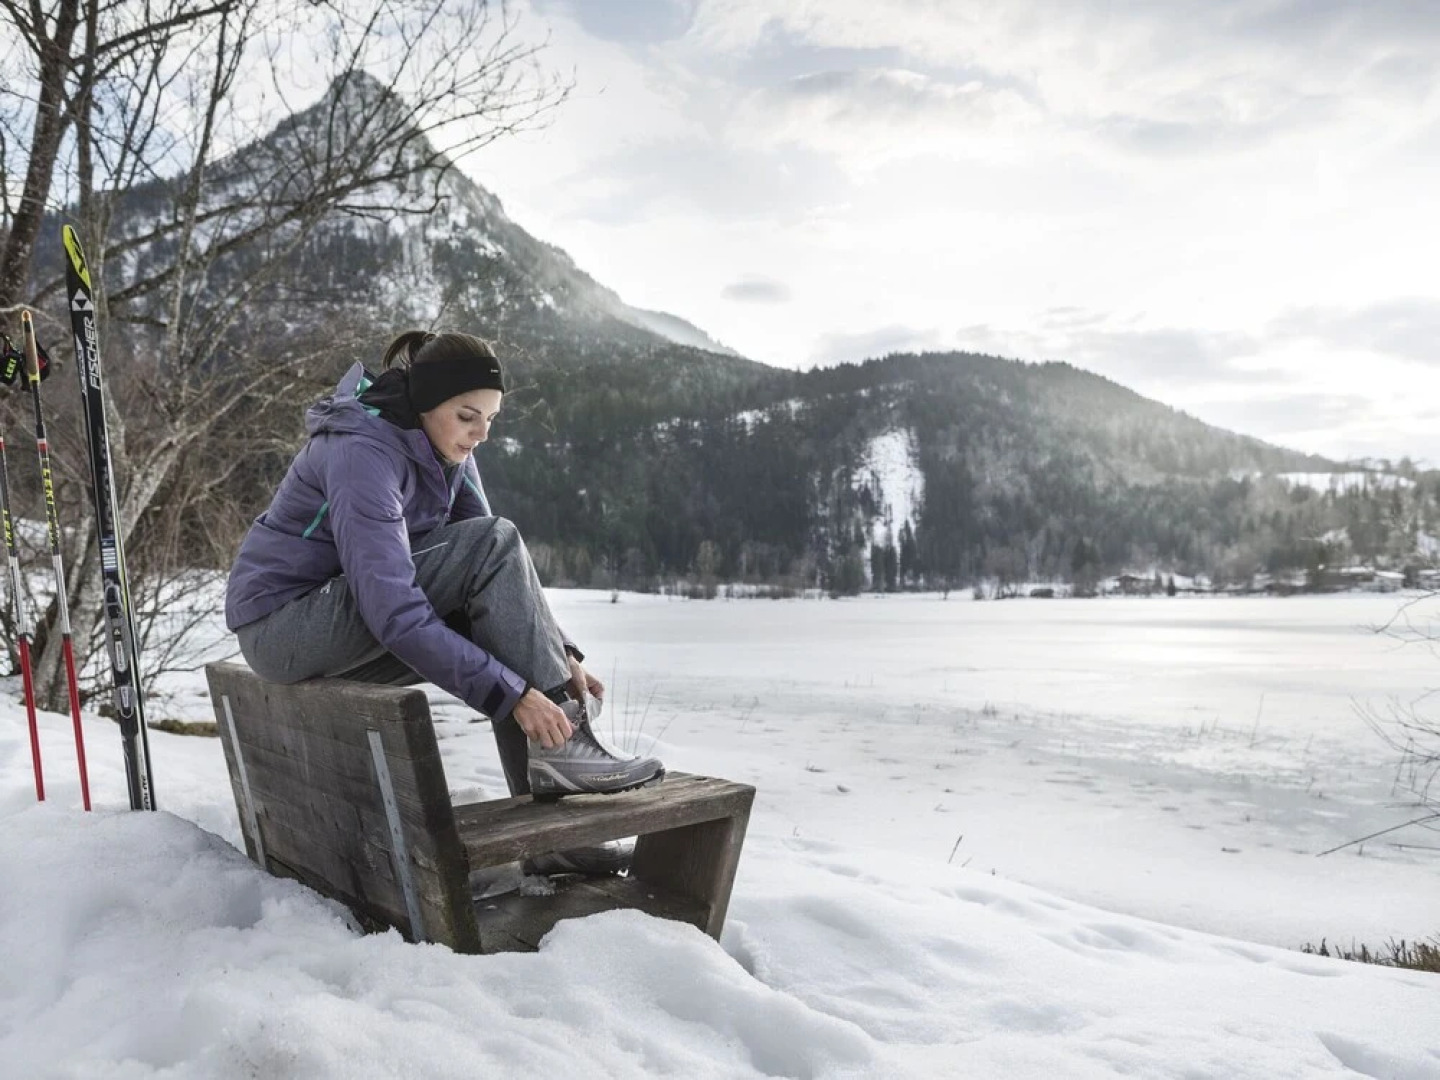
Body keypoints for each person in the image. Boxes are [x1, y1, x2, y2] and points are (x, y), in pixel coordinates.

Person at [224, 330, 663, 873]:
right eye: (467, 415)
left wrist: (560, 652)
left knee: (497, 605)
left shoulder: (445, 448)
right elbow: (398, 608)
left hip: (339, 616)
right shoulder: (363, 451)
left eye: (490, 419)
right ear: (428, 402)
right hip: (284, 626)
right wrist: (515, 695)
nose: (480, 434)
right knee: (495, 557)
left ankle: (552, 839)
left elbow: (497, 575)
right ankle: (563, 749)